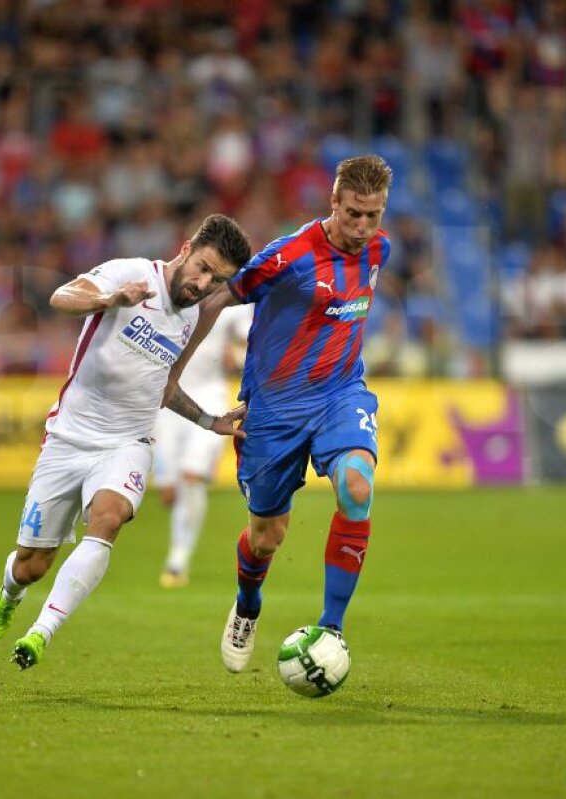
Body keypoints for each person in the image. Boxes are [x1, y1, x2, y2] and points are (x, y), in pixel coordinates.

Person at [0, 214, 253, 670]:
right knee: (33, 563)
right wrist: (109, 299)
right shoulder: (131, 274)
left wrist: (210, 421)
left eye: (217, 279)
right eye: (203, 268)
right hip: (68, 439)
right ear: (185, 249)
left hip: (128, 441)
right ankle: (11, 591)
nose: (205, 283)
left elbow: (166, 386)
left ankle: (39, 634)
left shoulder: (194, 317)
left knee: (107, 521)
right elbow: (60, 297)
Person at [166, 155, 393, 673]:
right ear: (333, 203)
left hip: (340, 394)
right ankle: (248, 605)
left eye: (372, 215)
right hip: (272, 412)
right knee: (268, 536)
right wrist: (174, 373)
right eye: (353, 213)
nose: (362, 227)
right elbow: (214, 299)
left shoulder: (380, 249)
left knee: (357, 488)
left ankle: (331, 628)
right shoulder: (289, 255)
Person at [153, 303, 253, 588]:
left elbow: (250, 338)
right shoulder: (166, 300)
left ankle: (177, 561)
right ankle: (177, 553)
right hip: (168, 401)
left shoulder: (229, 305)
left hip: (211, 398)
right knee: (170, 493)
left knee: (192, 476)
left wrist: (241, 355)